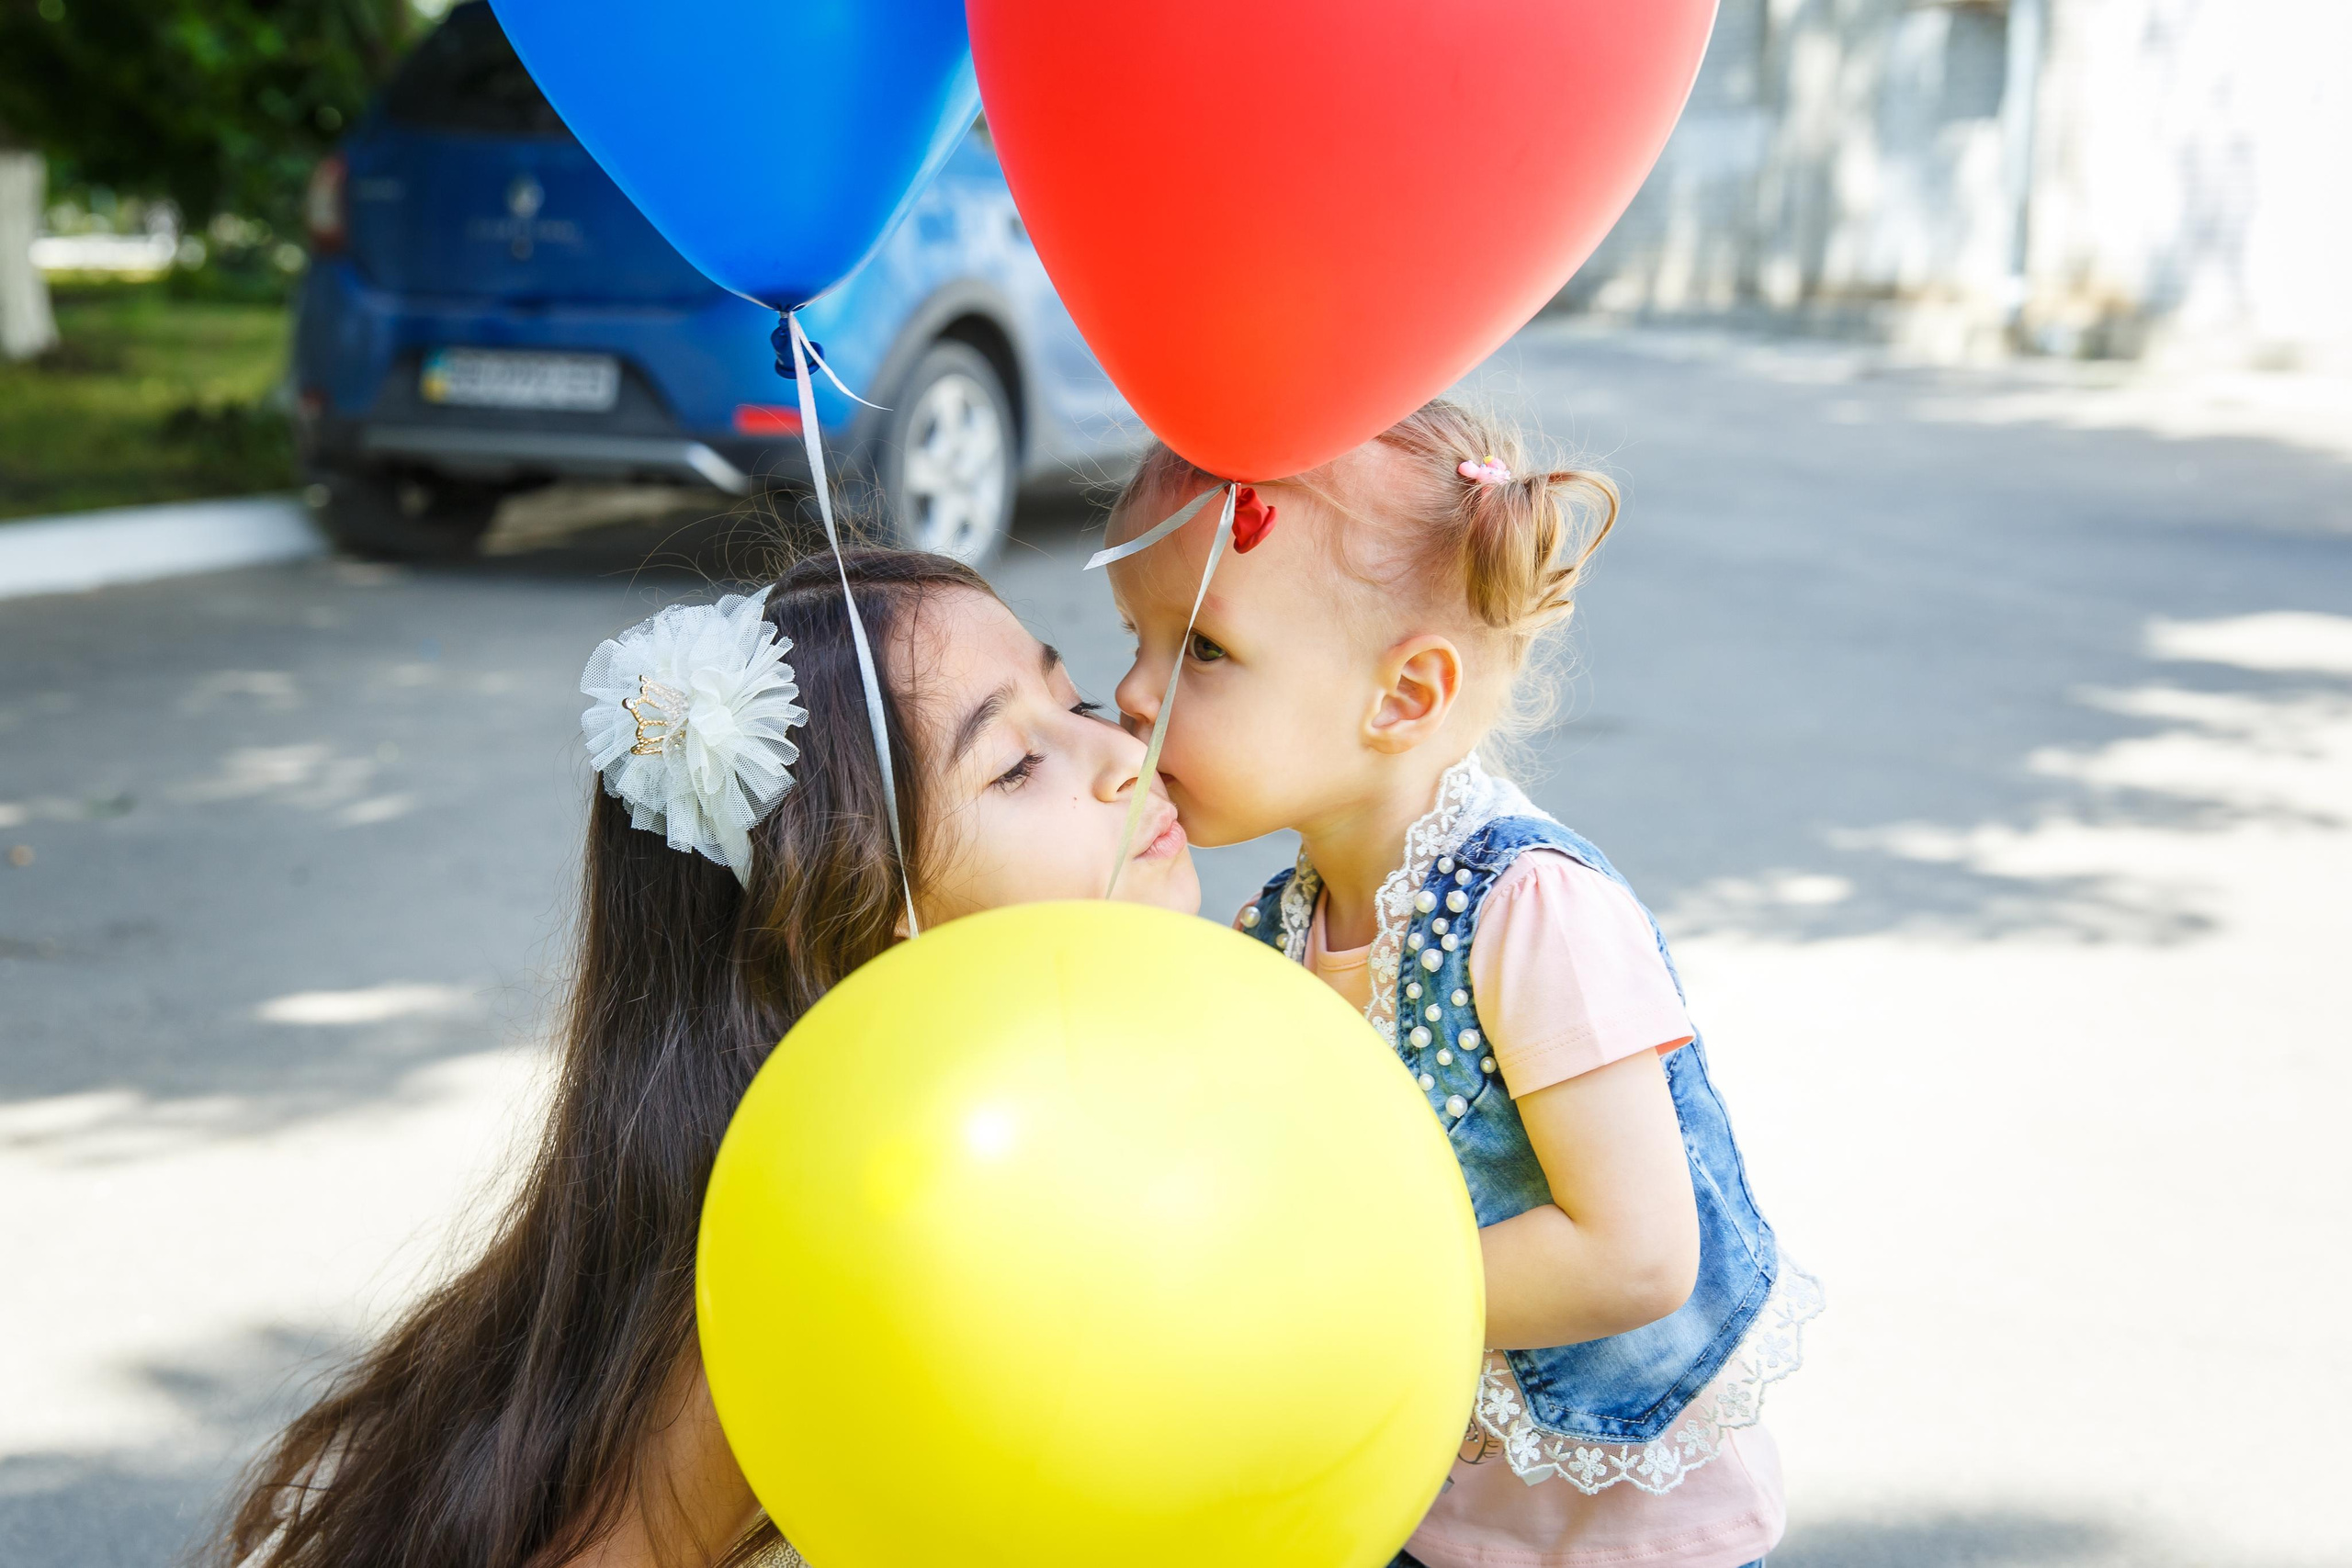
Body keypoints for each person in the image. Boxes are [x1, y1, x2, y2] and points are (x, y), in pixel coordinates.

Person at [215, 548, 1198, 1568]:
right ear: (855, 905)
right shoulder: (842, 1232)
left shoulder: (1063, 1104)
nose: (1124, 752)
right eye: (1016, 764)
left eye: (1075, 699)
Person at [1105, 400, 1822, 1568]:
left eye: (1203, 650)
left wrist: (1322, 1291)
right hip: (1415, 1506)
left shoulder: (1532, 914)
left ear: (1404, 696)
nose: (1134, 694)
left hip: (1619, 1537)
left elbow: (1636, 1252)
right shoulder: (1275, 930)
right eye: (1133, 639)